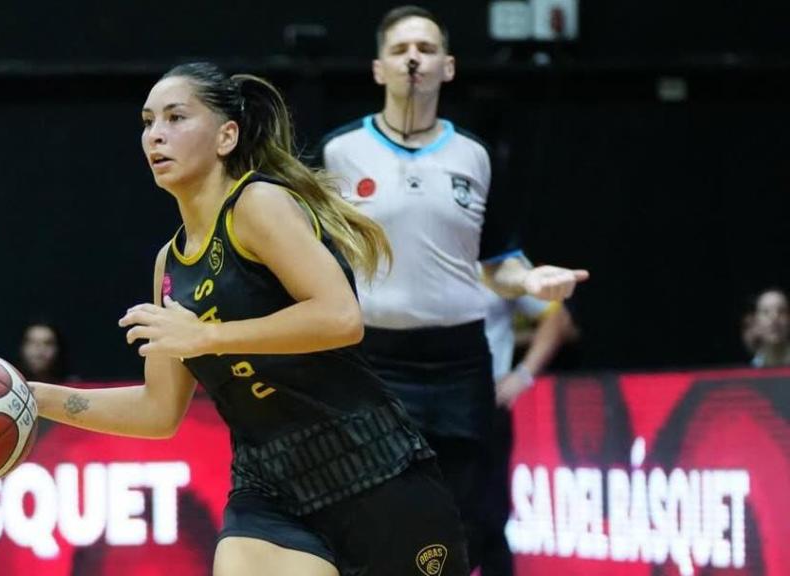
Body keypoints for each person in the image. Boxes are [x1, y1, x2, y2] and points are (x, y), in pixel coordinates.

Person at [29, 62, 470, 576]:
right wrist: (34, 397)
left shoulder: (258, 204)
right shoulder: (168, 265)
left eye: (175, 118)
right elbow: (158, 411)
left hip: (372, 470)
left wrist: (208, 335)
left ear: (226, 136)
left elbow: (340, 317)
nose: (156, 135)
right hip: (269, 487)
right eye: (148, 122)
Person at [318, 6, 588, 572]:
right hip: (373, 359)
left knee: (468, 519)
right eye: (399, 49)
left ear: (448, 67)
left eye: (425, 47)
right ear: (377, 69)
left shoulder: (475, 156)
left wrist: (531, 280)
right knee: (375, 515)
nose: (413, 57)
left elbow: (499, 263)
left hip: (459, 361)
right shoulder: (338, 154)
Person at [481, 272, 577, 575]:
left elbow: (558, 317)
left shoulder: (497, 263)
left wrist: (522, 376)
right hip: (415, 405)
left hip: (484, 406)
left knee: (489, 521)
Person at [743, 287, 790, 367]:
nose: (774, 318)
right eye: (766, 312)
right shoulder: (747, 372)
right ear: (755, 321)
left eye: (781, 311)